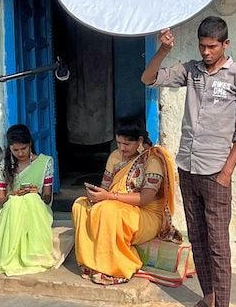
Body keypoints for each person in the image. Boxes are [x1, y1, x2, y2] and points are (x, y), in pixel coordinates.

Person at [142, 16, 236, 307]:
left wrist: (226, 173)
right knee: (199, 240)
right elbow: (148, 78)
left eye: (212, 46)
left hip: (217, 173)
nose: (206, 52)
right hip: (188, 170)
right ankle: (208, 298)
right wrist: (163, 50)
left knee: (218, 244)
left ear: (226, 45)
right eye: (202, 46)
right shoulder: (190, 71)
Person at [72, 117, 179, 285]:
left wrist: (108, 197)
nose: (122, 148)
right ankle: (91, 263)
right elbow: (106, 187)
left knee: (108, 210)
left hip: (147, 215)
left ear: (140, 140)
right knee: (80, 204)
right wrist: (97, 195)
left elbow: (144, 199)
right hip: (116, 206)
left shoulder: (153, 160)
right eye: (118, 143)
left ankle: (118, 267)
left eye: (126, 144)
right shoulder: (115, 156)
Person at [0, 124, 56, 279]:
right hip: (12, 210)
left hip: (37, 210)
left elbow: (47, 199)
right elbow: (1, 202)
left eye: (23, 148)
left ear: (30, 143)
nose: (20, 153)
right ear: (9, 148)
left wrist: (36, 192)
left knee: (30, 198)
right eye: (15, 150)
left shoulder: (45, 162)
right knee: (16, 202)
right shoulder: (2, 166)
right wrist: (13, 194)